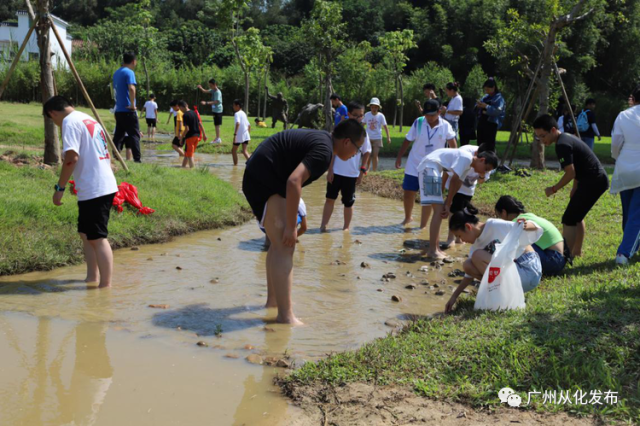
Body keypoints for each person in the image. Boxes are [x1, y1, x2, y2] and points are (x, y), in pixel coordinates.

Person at [242, 120, 366, 324]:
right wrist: (291, 227)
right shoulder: (324, 152)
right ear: (346, 142)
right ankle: (286, 316)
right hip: (263, 179)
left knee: (277, 243)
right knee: (285, 244)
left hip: (262, 176)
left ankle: (273, 303)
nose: (356, 153)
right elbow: (293, 182)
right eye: (357, 148)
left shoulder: (324, 143)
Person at [45, 95, 119, 289]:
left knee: (97, 237)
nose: (56, 124)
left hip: (96, 187)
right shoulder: (88, 118)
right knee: (86, 234)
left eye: (52, 120)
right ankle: (91, 278)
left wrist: (59, 188)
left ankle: (105, 288)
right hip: (96, 185)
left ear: (53, 113)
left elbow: (71, 158)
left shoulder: (69, 122)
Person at [533, 114, 609, 258]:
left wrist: (553, 188)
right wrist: (575, 187)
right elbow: (580, 165)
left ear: (553, 130)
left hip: (593, 181)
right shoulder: (566, 138)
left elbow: (570, 172)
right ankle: (576, 252)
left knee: (569, 218)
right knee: (577, 216)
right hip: (593, 180)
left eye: (543, 136)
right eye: (539, 137)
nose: (542, 140)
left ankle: (564, 258)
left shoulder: (562, 145)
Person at [444, 207, 543, 313]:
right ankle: (502, 294)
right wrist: (454, 297)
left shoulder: (494, 225)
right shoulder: (475, 246)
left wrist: (526, 225)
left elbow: (537, 228)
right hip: (514, 276)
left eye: (459, 236)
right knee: (468, 265)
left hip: (528, 269)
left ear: (468, 227)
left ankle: (501, 294)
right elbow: (468, 276)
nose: (461, 240)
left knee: (477, 256)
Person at [416, 148, 498, 259]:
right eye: (486, 169)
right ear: (482, 160)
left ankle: (435, 248)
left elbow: (458, 182)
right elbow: (454, 180)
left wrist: (448, 203)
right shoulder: (466, 158)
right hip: (429, 168)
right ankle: (432, 250)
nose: (484, 173)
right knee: (439, 211)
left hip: (432, 169)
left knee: (439, 211)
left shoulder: (468, 164)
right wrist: (448, 203)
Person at [395, 99, 457, 229]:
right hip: (414, 163)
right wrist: (399, 157)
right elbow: (408, 140)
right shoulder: (419, 122)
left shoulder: (445, 125)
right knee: (408, 192)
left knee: (428, 198)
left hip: (433, 167)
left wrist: (453, 162)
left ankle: (422, 227)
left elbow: (452, 144)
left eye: (432, 115)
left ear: (439, 112)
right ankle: (408, 217)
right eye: (427, 114)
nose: (429, 117)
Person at [320, 102, 372, 232]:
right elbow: (333, 150)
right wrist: (330, 169)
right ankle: (323, 225)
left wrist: (362, 171)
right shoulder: (341, 130)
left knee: (349, 203)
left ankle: (346, 228)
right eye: (356, 116)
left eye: (361, 116)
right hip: (336, 172)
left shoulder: (363, 134)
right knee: (330, 199)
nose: (359, 119)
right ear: (348, 115)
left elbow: (367, 152)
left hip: (351, 174)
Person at [494, 195, 567, 276]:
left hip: (552, 260)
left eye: (498, 216)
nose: (498, 219)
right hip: (560, 259)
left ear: (504, 213)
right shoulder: (528, 215)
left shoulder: (517, 222)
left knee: (516, 242)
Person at [610, 85, 640, 266]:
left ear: (634, 99)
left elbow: (616, 143)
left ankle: (630, 245)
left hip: (625, 167)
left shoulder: (624, 115)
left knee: (628, 212)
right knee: (636, 214)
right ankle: (624, 252)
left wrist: (617, 158)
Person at [442, 144, 493, 248]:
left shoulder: (489, 161)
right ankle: (450, 238)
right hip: (456, 184)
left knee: (463, 212)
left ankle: (459, 237)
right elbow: (449, 170)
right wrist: (443, 188)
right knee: (453, 210)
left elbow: (481, 181)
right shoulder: (465, 152)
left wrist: (482, 174)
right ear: (477, 156)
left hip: (469, 188)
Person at [112, 52, 142, 163]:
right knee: (134, 135)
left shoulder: (116, 73)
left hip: (119, 110)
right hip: (128, 110)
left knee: (118, 136)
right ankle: (137, 160)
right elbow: (132, 88)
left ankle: (115, 156)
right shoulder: (129, 72)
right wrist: (133, 105)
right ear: (134, 61)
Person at [476, 78, 506, 152]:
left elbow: (498, 111)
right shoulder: (485, 97)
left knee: (489, 144)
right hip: (482, 122)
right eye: (485, 90)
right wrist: (478, 105)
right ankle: (480, 158)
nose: (486, 91)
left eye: (488, 89)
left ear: (493, 88)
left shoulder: (499, 98)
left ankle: (490, 160)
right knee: (480, 143)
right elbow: (477, 105)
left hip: (491, 123)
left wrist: (486, 106)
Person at [362, 97, 391, 171]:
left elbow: (385, 127)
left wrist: (388, 137)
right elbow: (362, 124)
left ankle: (374, 170)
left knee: (375, 155)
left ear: (378, 107)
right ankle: (368, 168)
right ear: (370, 107)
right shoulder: (367, 115)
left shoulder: (381, 116)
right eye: (372, 107)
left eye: (375, 107)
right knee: (368, 154)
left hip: (377, 138)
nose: (374, 109)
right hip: (368, 137)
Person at [178, 100, 207, 168]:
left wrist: (181, 138)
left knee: (190, 155)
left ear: (182, 107)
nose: (180, 110)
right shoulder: (194, 113)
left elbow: (187, 129)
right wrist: (204, 134)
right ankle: (183, 167)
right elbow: (200, 124)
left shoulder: (185, 115)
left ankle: (192, 170)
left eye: (180, 108)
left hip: (190, 137)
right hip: (197, 136)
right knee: (187, 154)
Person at [198, 79, 223, 145]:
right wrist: (201, 88)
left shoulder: (217, 92)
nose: (210, 87)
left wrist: (206, 103)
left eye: (211, 85)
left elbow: (216, 101)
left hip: (218, 110)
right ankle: (217, 138)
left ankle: (218, 139)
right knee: (216, 124)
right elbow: (205, 91)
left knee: (217, 125)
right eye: (209, 85)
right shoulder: (213, 90)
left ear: (215, 85)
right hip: (215, 110)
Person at [232, 99, 251, 166]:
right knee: (245, 151)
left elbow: (238, 123)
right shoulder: (244, 113)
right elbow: (249, 125)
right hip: (245, 135)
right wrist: (248, 135)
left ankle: (235, 165)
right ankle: (252, 164)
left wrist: (235, 135)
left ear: (238, 106)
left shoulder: (236, 114)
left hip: (239, 135)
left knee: (233, 150)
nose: (233, 107)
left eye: (234, 105)